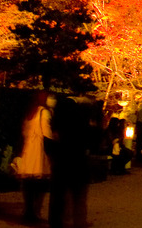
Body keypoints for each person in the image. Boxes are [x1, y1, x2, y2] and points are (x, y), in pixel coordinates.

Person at [49, 96, 90, 228]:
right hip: (78, 161)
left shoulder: (55, 122)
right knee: (78, 196)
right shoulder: (80, 120)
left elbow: (50, 143)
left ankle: (56, 221)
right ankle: (79, 221)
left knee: (58, 195)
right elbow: (86, 140)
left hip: (60, 162)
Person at [18, 91, 57, 222]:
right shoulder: (43, 112)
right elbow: (47, 132)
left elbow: (24, 132)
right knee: (40, 184)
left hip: (28, 150)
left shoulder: (30, 112)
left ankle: (28, 211)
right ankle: (35, 212)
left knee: (28, 183)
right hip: (39, 150)